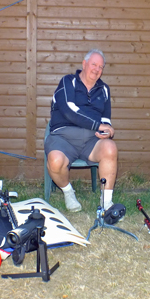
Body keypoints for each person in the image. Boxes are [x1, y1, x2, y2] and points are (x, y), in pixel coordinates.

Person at [45, 49, 120, 217]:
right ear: (84, 64)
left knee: (110, 147)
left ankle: (106, 203)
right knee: (55, 161)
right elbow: (69, 111)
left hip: (91, 141)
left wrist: (107, 131)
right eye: (94, 64)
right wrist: (97, 125)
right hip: (62, 138)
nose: (97, 69)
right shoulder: (68, 82)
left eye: (101, 67)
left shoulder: (104, 89)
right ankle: (68, 192)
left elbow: (106, 120)